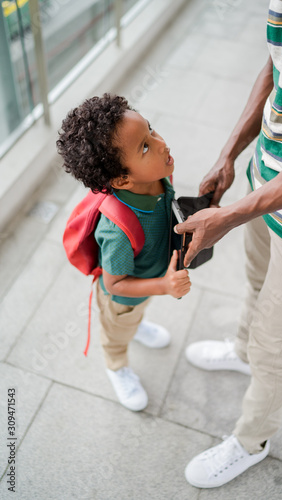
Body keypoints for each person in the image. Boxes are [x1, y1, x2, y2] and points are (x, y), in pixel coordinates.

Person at [175, 0, 282, 489]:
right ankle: (241, 351)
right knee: (256, 282)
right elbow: (278, 63)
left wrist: (232, 215)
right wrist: (230, 153)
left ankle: (252, 442)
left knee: (276, 346)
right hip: (265, 180)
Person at [57, 94, 191, 412]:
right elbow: (115, 286)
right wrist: (163, 286)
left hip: (148, 280)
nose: (161, 144)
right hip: (122, 299)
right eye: (144, 147)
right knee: (117, 334)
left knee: (137, 313)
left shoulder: (156, 177)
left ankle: (138, 324)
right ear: (121, 179)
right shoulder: (117, 230)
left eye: (152, 131)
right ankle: (117, 369)